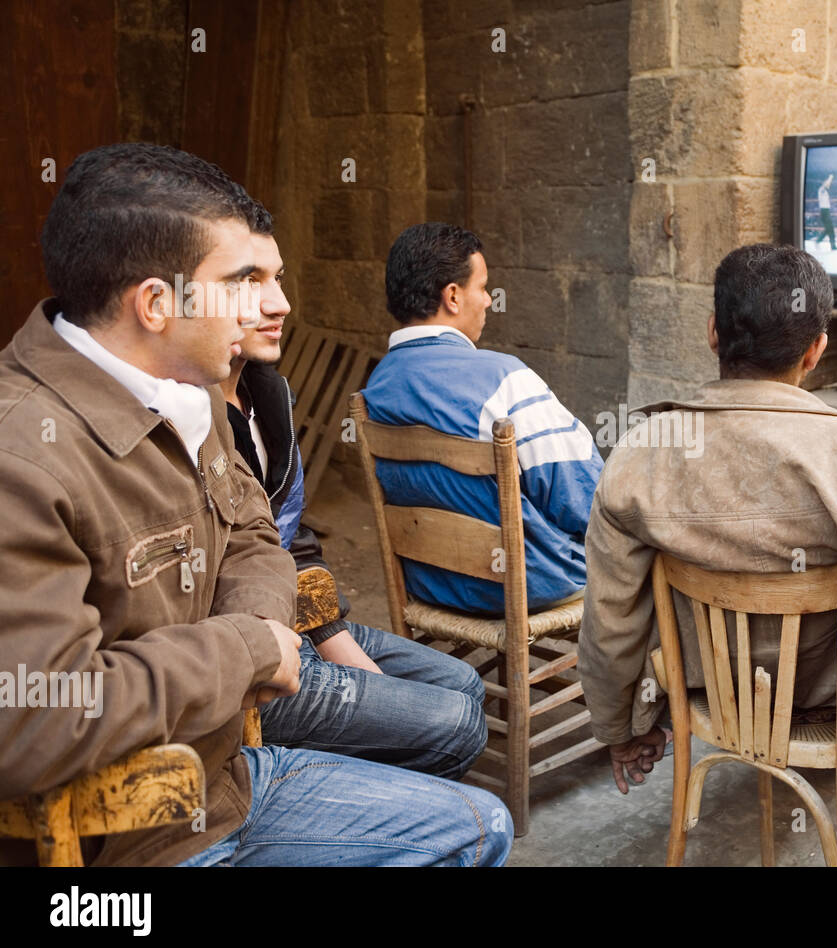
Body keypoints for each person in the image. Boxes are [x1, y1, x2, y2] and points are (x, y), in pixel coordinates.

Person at [0, 143, 510, 867]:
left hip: (228, 778)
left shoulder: (192, 394)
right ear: (156, 303)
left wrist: (260, 630)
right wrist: (245, 651)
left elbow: (254, 529)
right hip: (132, 845)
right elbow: (32, 719)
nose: (274, 305)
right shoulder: (22, 453)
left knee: (480, 824)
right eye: (243, 281)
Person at [577, 243, 837, 819]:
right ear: (816, 350)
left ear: (711, 334)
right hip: (831, 708)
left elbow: (611, 617)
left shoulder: (639, 454)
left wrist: (621, 728)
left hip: (705, 698)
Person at [219, 214, 488, 779]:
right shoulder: (188, 420)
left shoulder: (268, 392)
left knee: (462, 682)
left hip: (301, 625)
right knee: (457, 724)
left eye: (280, 279)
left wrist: (335, 637)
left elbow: (293, 538)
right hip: (255, 656)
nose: (282, 304)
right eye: (251, 283)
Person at [363, 222, 601, 615]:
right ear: (453, 296)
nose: (489, 300)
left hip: (432, 582)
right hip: (524, 583)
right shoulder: (504, 379)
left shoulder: (378, 386)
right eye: (482, 287)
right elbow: (587, 502)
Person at [816, 173, 837, 250]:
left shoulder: (824, 191)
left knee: (829, 229)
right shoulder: (822, 189)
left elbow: (827, 185)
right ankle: (830, 245)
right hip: (824, 212)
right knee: (830, 228)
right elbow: (826, 184)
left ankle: (832, 245)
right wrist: (830, 177)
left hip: (826, 211)